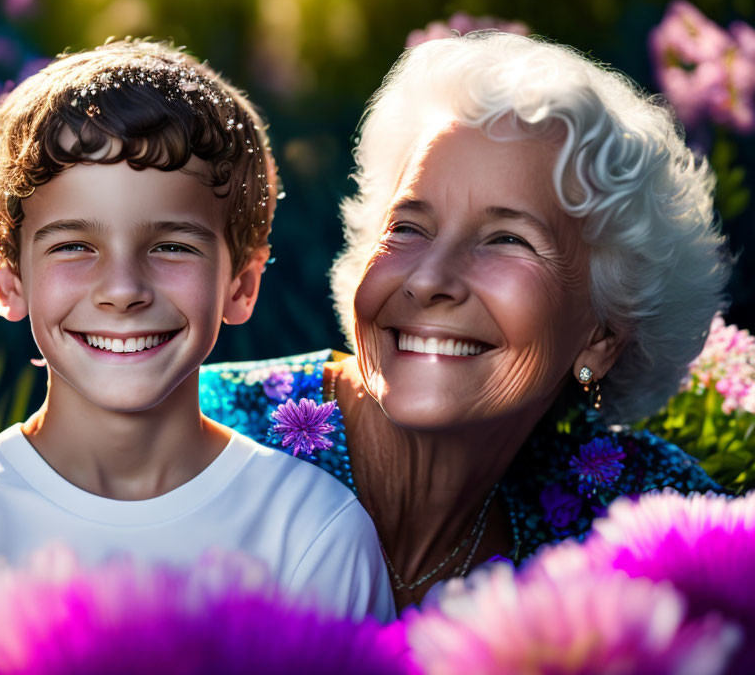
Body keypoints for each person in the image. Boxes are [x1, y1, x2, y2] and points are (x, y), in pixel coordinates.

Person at [200, 32, 729, 612]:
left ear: (602, 335)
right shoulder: (195, 435)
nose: (427, 280)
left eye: (507, 239)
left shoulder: (636, 516)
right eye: (407, 228)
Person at [0, 40, 395, 622]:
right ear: (10, 282)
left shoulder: (309, 533)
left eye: (171, 246)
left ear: (242, 285)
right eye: (75, 246)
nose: (124, 289)